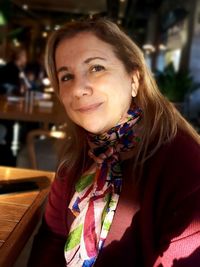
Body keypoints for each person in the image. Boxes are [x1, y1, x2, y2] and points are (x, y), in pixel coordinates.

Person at [28, 18, 200, 267]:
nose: (78, 88)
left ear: (134, 78)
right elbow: (52, 239)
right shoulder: (79, 156)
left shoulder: (186, 167)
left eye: (96, 67)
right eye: (66, 77)